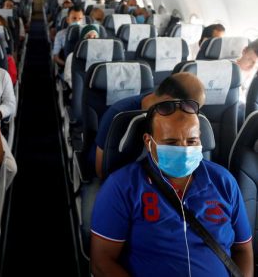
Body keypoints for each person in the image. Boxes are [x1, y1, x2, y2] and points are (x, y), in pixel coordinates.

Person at [91, 99, 253, 277]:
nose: (183, 150)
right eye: (171, 143)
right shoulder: (122, 186)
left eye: (191, 141)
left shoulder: (223, 182)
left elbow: (243, 250)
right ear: (148, 141)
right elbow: (102, 262)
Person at [237, 39, 258, 103]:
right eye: (250, 60)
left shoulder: (255, 75)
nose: (252, 67)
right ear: (244, 51)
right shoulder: (229, 70)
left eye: (257, 64)